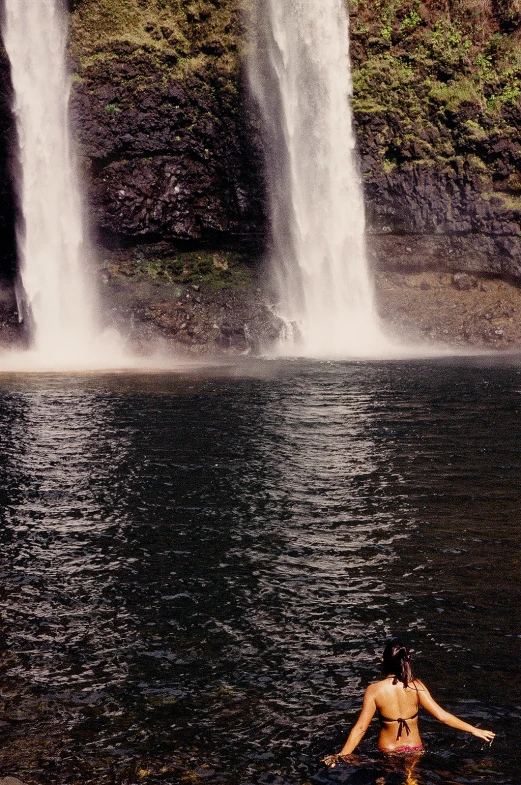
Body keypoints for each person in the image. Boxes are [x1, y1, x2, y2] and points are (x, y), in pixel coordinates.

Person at [324, 639, 495, 765]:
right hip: (415, 749)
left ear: (383, 662)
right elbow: (442, 717)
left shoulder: (374, 691)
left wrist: (340, 756)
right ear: (405, 662)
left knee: (382, 779)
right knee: (412, 778)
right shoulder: (416, 686)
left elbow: (361, 729)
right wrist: (473, 729)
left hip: (388, 751)